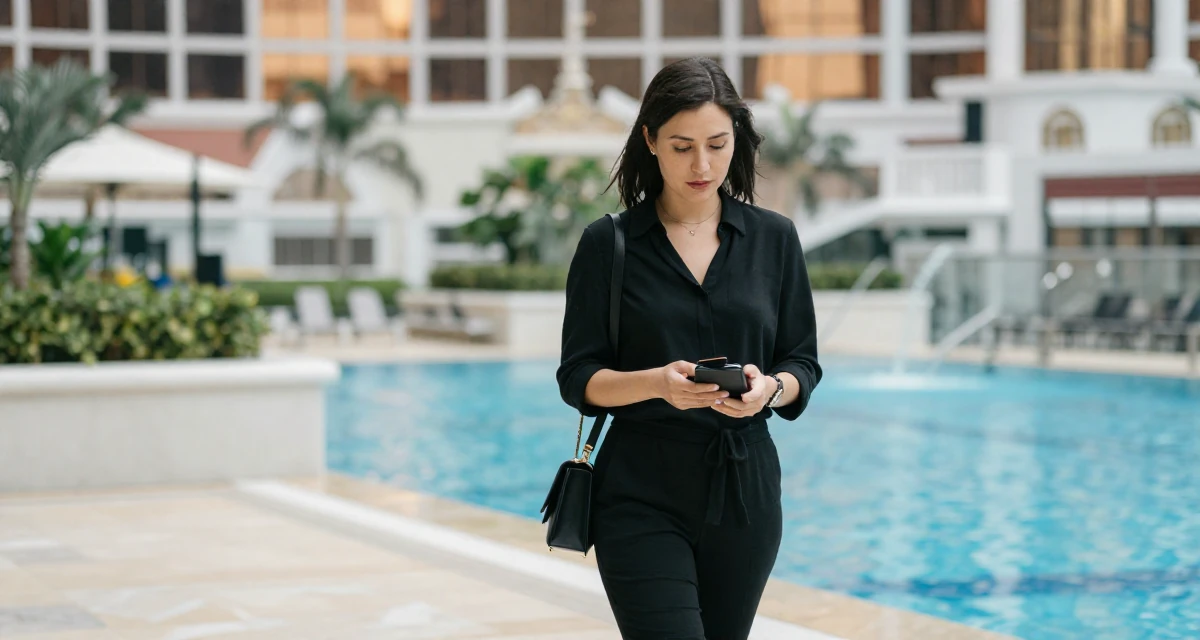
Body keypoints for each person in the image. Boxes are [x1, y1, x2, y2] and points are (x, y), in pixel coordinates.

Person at [555, 57, 823, 640]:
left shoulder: (775, 239)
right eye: (681, 147)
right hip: (639, 493)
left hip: (745, 492)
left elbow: (803, 361)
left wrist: (769, 389)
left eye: (717, 144)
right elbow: (578, 377)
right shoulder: (609, 245)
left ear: (737, 141)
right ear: (649, 140)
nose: (702, 165)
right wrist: (657, 383)